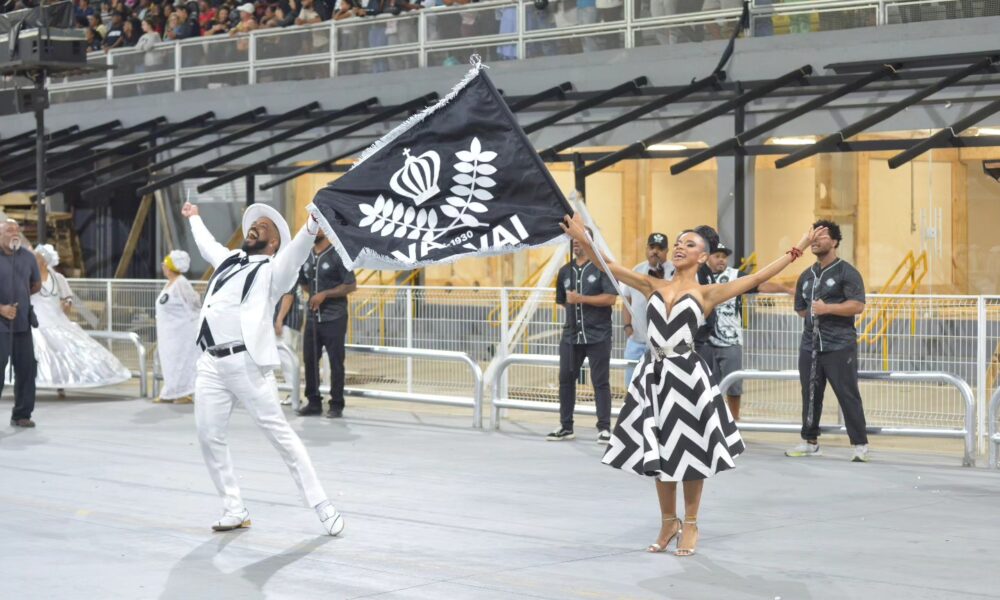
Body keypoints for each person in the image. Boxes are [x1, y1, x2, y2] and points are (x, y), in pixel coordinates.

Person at [562, 211, 824, 557]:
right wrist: (584, 237)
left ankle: (692, 522)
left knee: (691, 451)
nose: (679, 247)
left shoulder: (709, 293)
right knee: (659, 449)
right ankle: (668, 521)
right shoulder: (651, 284)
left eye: (689, 244)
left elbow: (760, 276)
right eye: (678, 243)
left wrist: (800, 246)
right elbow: (608, 264)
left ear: (703, 256)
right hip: (654, 375)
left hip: (687, 375)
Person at [182, 200, 344, 536]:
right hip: (211, 362)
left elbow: (297, 252)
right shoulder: (228, 260)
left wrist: (311, 224)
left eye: (265, 226)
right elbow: (207, 244)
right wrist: (194, 217)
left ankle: (321, 504)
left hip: (247, 364)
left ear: (273, 243)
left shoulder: (275, 270)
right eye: (254, 223)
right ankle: (233, 507)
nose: (256, 226)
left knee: (281, 436)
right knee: (208, 435)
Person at [785, 219, 870, 463]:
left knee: (848, 393)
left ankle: (860, 444)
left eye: (821, 236)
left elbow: (858, 305)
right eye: (813, 237)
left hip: (839, 345)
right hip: (810, 346)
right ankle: (809, 441)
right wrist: (812, 313)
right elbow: (801, 309)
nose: (815, 241)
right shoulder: (806, 275)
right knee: (810, 395)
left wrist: (827, 309)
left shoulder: (847, 272)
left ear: (834, 241)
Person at [21, 244, 132, 392]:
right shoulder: (28, 277)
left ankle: (62, 381)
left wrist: (67, 303)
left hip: (57, 319)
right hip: (36, 319)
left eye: (36, 258)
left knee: (64, 350)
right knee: (37, 350)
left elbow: (67, 296)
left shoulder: (58, 279)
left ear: (44, 261)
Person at [702, 241, 792, 420]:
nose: (721, 260)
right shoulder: (700, 276)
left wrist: (787, 289)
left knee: (734, 383)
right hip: (705, 340)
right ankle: (709, 419)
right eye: (717, 256)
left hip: (731, 340)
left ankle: (735, 420)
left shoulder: (735, 275)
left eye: (724, 257)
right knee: (705, 383)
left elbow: (759, 285)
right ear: (707, 258)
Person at [547, 226, 618, 443]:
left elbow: (610, 299)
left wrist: (582, 300)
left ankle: (604, 428)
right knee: (566, 380)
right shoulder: (565, 271)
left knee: (600, 382)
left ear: (590, 242)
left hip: (598, 335)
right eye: (573, 239)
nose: (575, 242)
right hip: (571, 336)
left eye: (580, 238)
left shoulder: (601, 269)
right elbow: (562, 301)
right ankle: (566, 426)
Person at [296, 228, 356, 418]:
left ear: (326, 228)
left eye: (318, 225)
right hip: (313, 318)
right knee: (310, 360)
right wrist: (313, 295)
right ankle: (313, 402)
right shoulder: (306, 255)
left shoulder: (339, 253)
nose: (314, 230)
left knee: (336, 362)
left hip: (334, 317)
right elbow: (303, 282)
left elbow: (351, 285)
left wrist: (325, 294)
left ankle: (336, 404)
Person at [0, 221, 40, 428]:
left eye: (17, 231)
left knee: (27, 369)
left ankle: (22, 414)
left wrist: (22, 300)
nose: (14, 234)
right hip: (0, 326)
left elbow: (36, 284)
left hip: (22, 324)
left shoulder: (27, 257)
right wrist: (2, 308)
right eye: (9, 231)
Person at [622, 232, 672, 387]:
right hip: (636, 340)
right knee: (632, 385)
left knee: (661, 386)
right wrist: (627, 326)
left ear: (666, 251)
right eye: (652, 247)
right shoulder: (636, 270)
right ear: (646, 249)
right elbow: (626, 299)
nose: (655, 251)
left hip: (664, 344)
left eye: (660, 248)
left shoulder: (674, 272)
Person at [154, 250, 201, 404]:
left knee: (182, 362)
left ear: (170, 267)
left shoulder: (181, 282)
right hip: (169, 334)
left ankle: (184, 393)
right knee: (170, 363)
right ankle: (170, 392)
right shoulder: (169, 283)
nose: (163, 267)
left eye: (165, 264)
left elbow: (194, 303)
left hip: (182, 333)